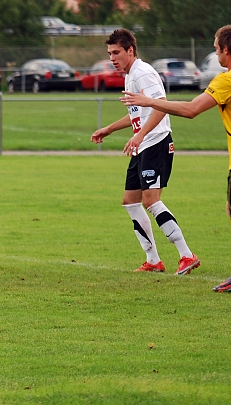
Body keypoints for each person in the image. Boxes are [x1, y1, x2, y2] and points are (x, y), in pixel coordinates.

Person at [122, 23, 231, 292]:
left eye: (215, 48)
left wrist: (151, 102)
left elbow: (190, 109)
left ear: (225, 49)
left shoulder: (229, 79)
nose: (215, 54)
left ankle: (204, 261)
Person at [91, 29, 200, 275]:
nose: (112, 58)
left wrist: (140, 135)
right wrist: (109, 129)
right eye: (109, 53)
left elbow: (161, 106)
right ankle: (153, 260)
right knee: (130, 201)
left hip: (156, 142)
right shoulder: (130, 75)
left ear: (131, 50)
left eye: (116, 52)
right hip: (143, 144)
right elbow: (138, 115)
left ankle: (186, 255)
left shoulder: (143, 73)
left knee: (151, 200)